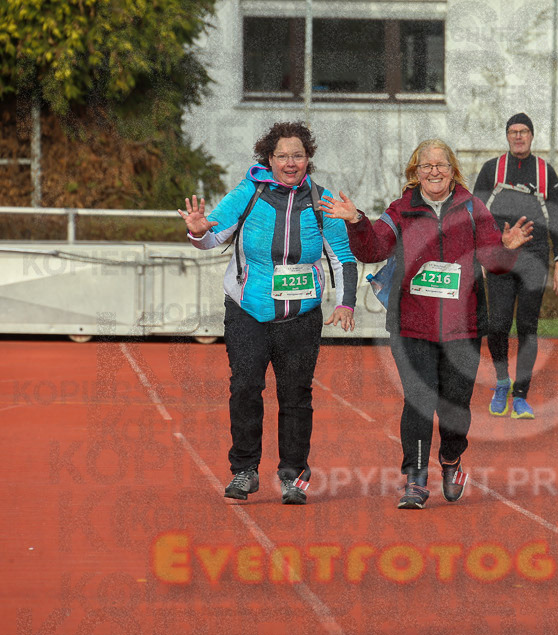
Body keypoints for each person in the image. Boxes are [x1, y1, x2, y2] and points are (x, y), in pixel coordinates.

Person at [319, 139, 533, 509]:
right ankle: (415, 480)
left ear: (453, 171)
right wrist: (356, 221)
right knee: (419, 400)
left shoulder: (472, 208)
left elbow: (493, 262)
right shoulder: (401, 210)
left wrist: (506, 247)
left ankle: (451, 459)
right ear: (415, 173)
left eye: (441, 165)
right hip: (411, 324)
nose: (434, 171)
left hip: (462, 327)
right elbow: (373, 250)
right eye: (426, 166)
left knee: (455, 404)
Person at [178, 121, 357, 505]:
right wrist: (196, 231)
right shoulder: (249, 192)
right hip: (247, 311)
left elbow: (343, 259)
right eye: (281, 156)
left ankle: (292, 476)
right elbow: (211, 237)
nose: (289, 163)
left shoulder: (322, 202)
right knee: (245, 387)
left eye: (297, 155)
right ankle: (244, 471)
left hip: (301, 317)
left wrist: (345, 303)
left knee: (295, 395)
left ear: (308, 158)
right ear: (268, 159)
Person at [473, 112, 558, 419]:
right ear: (507, 136)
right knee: (497, 325)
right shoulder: (492, 170)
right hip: (501, 258)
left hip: (535, 258)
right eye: (512, 131)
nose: (518, 136)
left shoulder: (545, 172)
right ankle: (503, 381)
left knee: (527, 328)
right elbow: (476, 213)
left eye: (523, 131)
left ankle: (521, 396)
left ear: (531, 135)